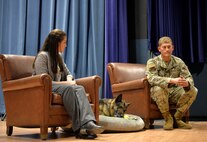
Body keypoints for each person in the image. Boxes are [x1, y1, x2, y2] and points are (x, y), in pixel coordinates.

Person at [33, 29, 104, 139]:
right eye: (64, 42)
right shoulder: (42, 56)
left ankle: (84, 125)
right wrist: (68, 83)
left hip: (59, 87)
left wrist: (70, 80)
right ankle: (84, 125)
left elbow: (68, 73)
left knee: (77, 88)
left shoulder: (59, 57)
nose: (66, 45)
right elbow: (43, 80)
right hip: (44, 88)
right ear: (57, 43)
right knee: (71, 88)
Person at [146, 36, 197, 130]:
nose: (167, 49)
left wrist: (187, 83)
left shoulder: (178, 62)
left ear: (172, 48)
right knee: (158, 89)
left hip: (174, 92)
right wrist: (171, 80)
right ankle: (168, 119)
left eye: (169, 47)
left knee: (193, 90)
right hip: (159, 92)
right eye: (164, 47)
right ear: (159, 49)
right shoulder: (152, 62)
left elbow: (189, 78)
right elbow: (151, 78)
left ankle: (178, 118)